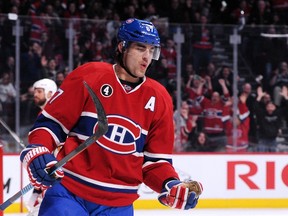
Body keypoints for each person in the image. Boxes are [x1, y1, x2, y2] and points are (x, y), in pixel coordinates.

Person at [20, 18, 202, 215]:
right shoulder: (89, 76)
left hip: (119, 205)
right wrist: (38, 149)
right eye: (141, 48)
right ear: (122, 47)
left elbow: (156, 162)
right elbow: (51, 125)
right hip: (68, 193)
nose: (147, 57)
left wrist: (169, 185)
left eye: (152, 50)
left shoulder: (160, 98)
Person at [26, 78, 58, 216]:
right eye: (35, 92)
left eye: (39, 91)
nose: (35, 95)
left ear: (50, 94)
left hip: (59, 176)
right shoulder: (42, 115)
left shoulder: (58, 114)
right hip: (49, 175)